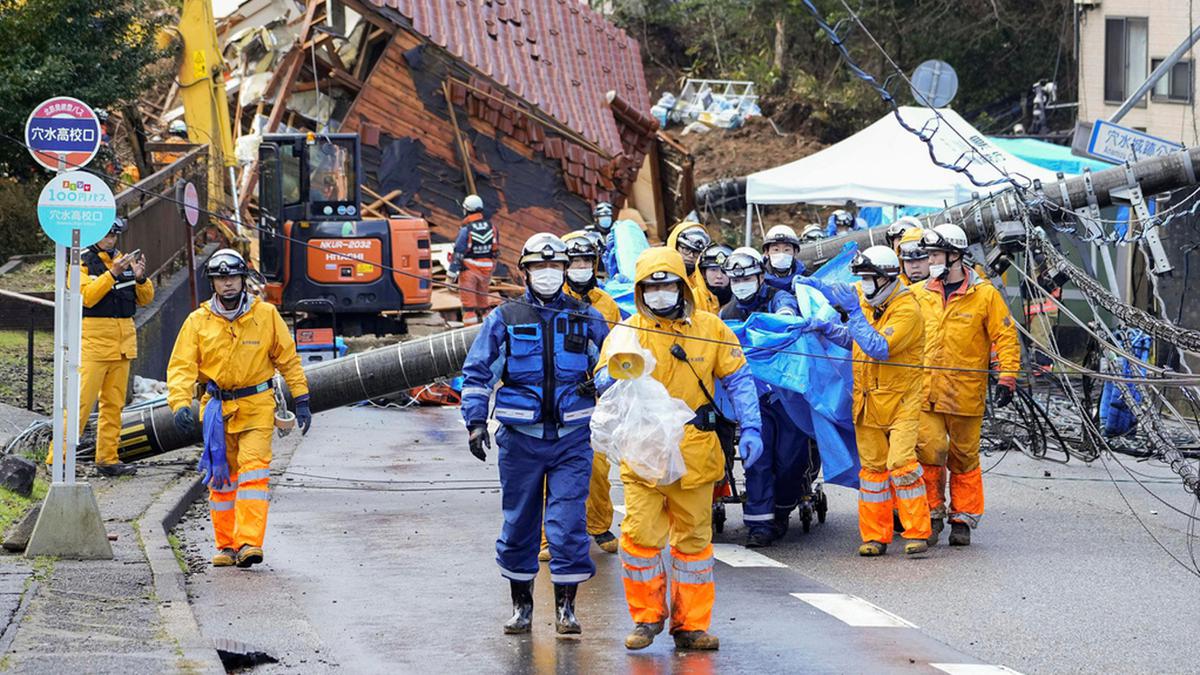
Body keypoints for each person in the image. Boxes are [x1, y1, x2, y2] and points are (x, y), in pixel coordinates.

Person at [596, 246, 762, 651]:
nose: (660, 293)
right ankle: (646, 618)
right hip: (644, 453)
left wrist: (753, 425)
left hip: (695, 451)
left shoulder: (712, 327)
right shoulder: (628, 332)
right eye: (651, 287)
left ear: (682, 286)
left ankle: (691, 626)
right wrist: (617, 371)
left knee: (693, 543)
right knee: (640, 536)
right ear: (639, 292)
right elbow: (602, 379)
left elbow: (739, 379)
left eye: (667, 284)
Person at [459, 233, 610, 635]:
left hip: (571, 440)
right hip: (520, 440)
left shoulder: (586, 316)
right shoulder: (505, 318)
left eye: (555, 266)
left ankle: (566, 610)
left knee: (567, 523)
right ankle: (522, 607)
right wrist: (475, 422)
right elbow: (477, 372)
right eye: (539, 267)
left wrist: (601, 385)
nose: (548, 274)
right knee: (520, 524)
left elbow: (615, 364)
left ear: (565, 271)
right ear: (525, 271)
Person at [167, 249, 311, 569]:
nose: (228, 284)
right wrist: (179, 404)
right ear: (213, 284)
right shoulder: (198, 321)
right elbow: (181, 367)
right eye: (221, 278)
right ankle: (226, 545)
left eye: (232, 277)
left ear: (242, 279)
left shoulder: (266, 316)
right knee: (223, 479)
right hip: (217, 408)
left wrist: (301, 398)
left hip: (257, 405)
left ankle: (249, 542)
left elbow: (287, 358)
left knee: (253, 472)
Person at [801, 246, 932, 556]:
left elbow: (878, 346)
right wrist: (829, 329)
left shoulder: (907, 310)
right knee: (872, 473)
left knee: (901, 465)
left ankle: (917, 532)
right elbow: (854, 339)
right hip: (868, 401)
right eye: (862, 279)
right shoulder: (870, 302)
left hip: (901, 402)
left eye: (869, 279)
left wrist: (856, 313)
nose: (864, 285)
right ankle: (875, 536)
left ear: (886, 278)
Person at [915, 224, 1021, 546]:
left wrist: (1007, 377)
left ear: (955, 256)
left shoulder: (984, 295)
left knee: (963, 457)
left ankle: (962, 518)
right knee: (930, 450)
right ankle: (932, 515)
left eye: (935, 254)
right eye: (929, 254)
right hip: (925, 392)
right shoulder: (920, 294)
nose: (930, 261)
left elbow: (1005, 336)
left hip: (965, 393)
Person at [532, 231, 622, 562]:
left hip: (592, 396)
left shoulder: (606, 305)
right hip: (554, 397)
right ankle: (546, 536)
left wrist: (602, 382)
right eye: (576, 261)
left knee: (597, 465)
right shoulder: (550, 300)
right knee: (548, 469)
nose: (581, 267)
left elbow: (614, 349)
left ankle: (598, 524)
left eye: (587, 261)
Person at [718, 248, 809, 548]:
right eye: (735, 280)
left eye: (746, 278)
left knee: (789, 458)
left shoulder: (777, 298)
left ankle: (782, 509)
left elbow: (788, 317)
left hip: (786, 395)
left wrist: (779, 321)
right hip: (752, 397)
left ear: (760, 276)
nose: (741, 284)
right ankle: (759, 525)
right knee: (756, 458)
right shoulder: (726, 314)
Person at [51, 217, 153, 477]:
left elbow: (145, 299)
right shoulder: (81, 261)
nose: (111, 240)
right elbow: (87, 296)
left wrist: (140, 279)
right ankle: (57, 458)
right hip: (95, 342)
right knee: (80, 403)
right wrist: (112, 274)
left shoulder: (123, 259)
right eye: (107, 235)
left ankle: (108, 458)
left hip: (123, 342)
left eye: (115, 235)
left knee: (113, 405)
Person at [448, 194, 498, 325]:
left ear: (466, 210)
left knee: (469, 307)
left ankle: (470, 338)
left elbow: (458, 253)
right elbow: (495, 251)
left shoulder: (466, 230)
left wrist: (451, 274)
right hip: (486, 270)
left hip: (469, 270)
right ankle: (489, 330)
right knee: (484, 304)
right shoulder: (492, 227)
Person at [665, 222, 718, 314]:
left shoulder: (708, 279)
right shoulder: (660, 275)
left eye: (696, 252)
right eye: (686, 249)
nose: (691, 256)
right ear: (675, 246)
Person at [761, 224, 806, 291]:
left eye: (786, 250)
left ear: (795, 252)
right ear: (766, 252)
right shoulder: (758, 279)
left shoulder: (805, 276)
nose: (781, 254)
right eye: (776, 250)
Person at [584, 201, 620, 278]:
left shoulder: (618, 230)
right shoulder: (589, 232)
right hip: (598, 273)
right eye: (602, 217)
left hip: (616, 272)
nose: (606, 220)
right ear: (596, 218)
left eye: (608, 217)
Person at [698, 243, 733, 308]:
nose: (719, 276)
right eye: (713, 270)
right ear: (703, 273)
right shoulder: (692, 299)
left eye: (724, 271)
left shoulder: (742, 300)